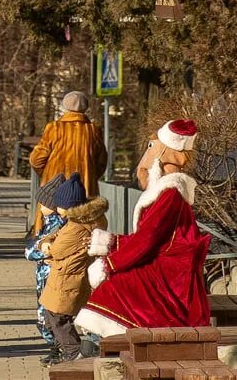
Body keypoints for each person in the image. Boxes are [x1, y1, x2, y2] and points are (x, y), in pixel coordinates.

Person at [76, 120, 212, 349]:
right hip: (170, 265)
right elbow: (150, 238)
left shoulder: (170, 193)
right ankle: (103, 342)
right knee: (120, 283)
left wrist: (109, 263)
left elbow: (147, 239)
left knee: (117, 284)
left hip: (171, 271)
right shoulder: (169, 191)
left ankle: (104, 344)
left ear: (163, 152)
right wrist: (110, 242)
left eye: (152, 147)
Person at [33, 178, 109, 365]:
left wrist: (46, 247)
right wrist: (48, 242)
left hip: (66, 277)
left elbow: (58, 249)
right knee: (58, 315)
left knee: (57, 316)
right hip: (70, 274)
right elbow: (56, 237)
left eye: (59, 205)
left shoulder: (76, 227)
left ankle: (72, 352)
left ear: (68, 206)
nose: (56, 208)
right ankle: (72, 350)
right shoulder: (85, 221)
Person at [30, 91, 109, 193]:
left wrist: (48, 175)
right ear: (85, 107)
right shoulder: (93, 131)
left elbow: (36, 160)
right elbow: (101, 162)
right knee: (83, 209)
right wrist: (89, 176)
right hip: (84, 190)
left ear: (65, 105)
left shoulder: (54, 128)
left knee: (51, 209)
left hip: (54, 190)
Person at [26, 173, 68, 353]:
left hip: (50, 277)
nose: (40, 207)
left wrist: (36, 249)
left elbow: (33, 250)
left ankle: (58, 347)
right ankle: (56, 346)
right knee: (46, 315)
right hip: (45, 276)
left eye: (43, 204)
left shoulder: (55, 226)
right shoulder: (51, 223)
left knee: (48, 315)